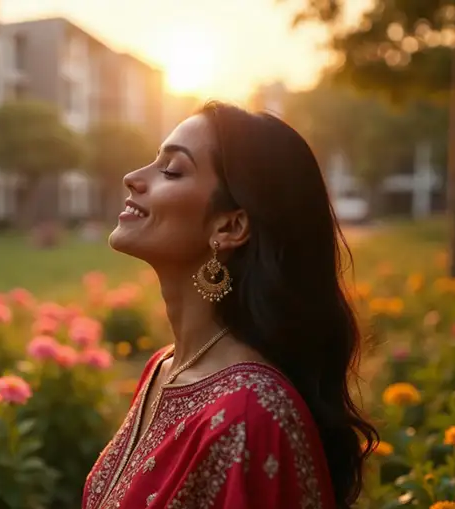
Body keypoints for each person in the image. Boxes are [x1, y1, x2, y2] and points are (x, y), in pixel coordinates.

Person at [82, 102, 378, 509]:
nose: (132, 178)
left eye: (171, 170)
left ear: (230, 226)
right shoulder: (163, 369)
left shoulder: (249, 412)